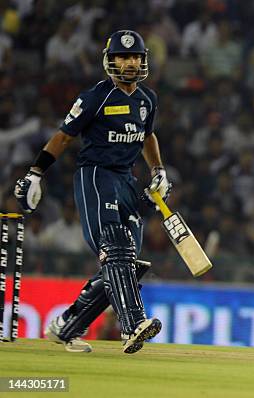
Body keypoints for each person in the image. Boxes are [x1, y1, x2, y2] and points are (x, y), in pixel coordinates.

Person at [13, 30, 170, 354]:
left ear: (143, 61)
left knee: (128, 262)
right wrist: (35, 173)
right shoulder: (95, 97)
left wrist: (158, 171)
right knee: (116, 248)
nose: (129, 63)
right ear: (110, 61)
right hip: (96, 177)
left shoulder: (147, 100)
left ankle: (66, 326)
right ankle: (134, 325)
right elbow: (63, 137)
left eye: (135, 57)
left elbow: (148, 137)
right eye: (122, 57)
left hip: (126, 179)